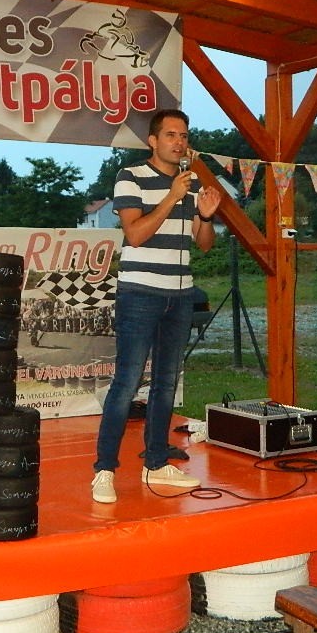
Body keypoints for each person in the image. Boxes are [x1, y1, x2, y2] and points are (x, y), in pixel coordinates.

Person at [91, 108, 222, 503]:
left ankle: (156, 461)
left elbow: (204, 244)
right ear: (153, 140)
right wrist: (171, 198)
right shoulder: (130, 176)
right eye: (171, 135)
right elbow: (135, 234)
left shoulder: (190, 182)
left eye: (184, 136)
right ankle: (104, 470)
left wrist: (205, 216)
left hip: (180, 295)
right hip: (140, 294)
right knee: (127, 383)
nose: (179, 142)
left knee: (166, 383)